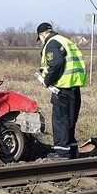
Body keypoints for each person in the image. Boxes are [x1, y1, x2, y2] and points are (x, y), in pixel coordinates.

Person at [37, 22, 86, 158]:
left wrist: (47, 80)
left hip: (62, 87)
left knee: (60, 120)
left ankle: (61, 152)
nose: (41, 41)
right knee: (70, 119)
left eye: (40, 38)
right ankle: (72, 149)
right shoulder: (65, 40)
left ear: (42, 34)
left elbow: (56, 63)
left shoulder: (52, 43)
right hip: (74, 86)